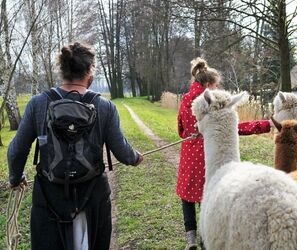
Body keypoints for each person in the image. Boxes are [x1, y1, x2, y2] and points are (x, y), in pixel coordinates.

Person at [7, 42, 144, 250]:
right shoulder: (105, 107)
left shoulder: (38, 104)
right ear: (90, 71)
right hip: (93, 199)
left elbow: (16, 150)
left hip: (49, 198)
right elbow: (123, 152)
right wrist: (135, 157)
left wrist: (16, 178)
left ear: (62, 71)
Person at [177, 58, 271, 249]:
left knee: (187, 196)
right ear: (208, 85)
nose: (218, 88)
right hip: (210, 155)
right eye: (217, 85)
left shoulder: (186, 99)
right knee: (208, 195)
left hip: (189, 155)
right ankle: (206, 238)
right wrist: (264, 124)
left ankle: (191, 239)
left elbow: (181, 129)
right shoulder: (214, 102)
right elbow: (232, 127)